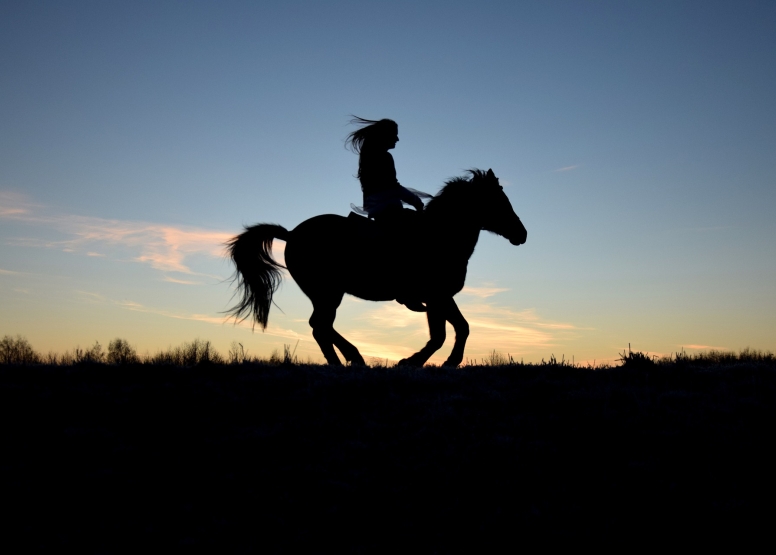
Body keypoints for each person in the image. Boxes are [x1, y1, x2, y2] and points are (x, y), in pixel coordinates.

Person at [346, 116, 427, 312]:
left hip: (378, 209)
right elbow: (393, 187)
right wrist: (416, 201)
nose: (397, 140)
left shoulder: (369, 156)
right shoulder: (383, 156)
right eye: (394, 135)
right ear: (385, 136)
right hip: (388, 209)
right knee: (415, 242)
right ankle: (407, 290)